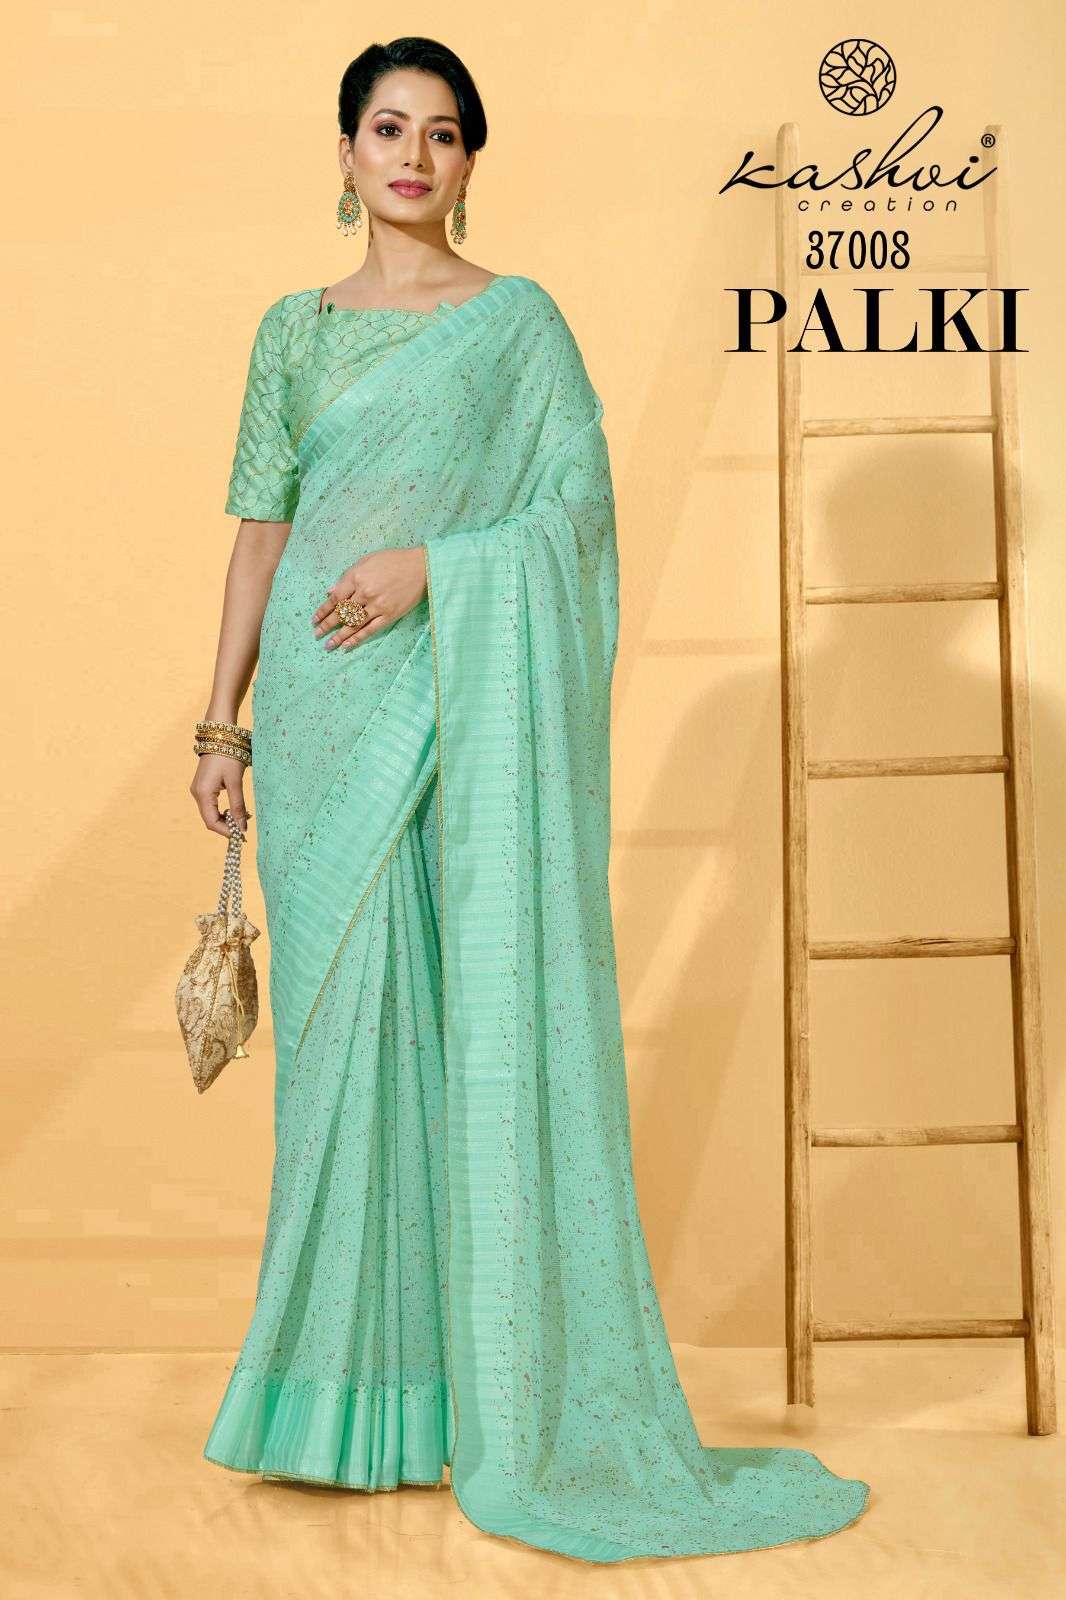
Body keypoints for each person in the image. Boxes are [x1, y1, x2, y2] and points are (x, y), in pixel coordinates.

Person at [195, 35, 871, 1564]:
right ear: (346, 152)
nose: (413, 157)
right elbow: (258, 536)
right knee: (340, 1065)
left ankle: (473, 1401)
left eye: (441, 133)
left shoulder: (518, 328)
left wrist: (438, 568)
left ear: (470, 159)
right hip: (322, 720)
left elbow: (576, 517)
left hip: (457, 704)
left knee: (465, 1041)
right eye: (387, 129)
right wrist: (220, 725)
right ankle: (333, 1409)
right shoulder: (292, 333)